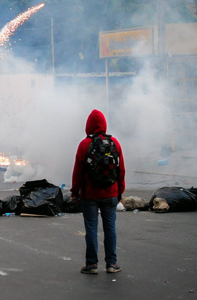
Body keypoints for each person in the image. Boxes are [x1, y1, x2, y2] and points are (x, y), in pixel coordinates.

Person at [71, 109, 125, 275]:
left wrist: (75, 191)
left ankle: (92, 264)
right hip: (110, 194)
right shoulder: (114, 142)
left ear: (88, 126)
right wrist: (120, 191)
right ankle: (111, 264)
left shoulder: (84, 144)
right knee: (110, 228)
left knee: (91, 229)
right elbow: (121, 170)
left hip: (90, 195)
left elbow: (78, 171)